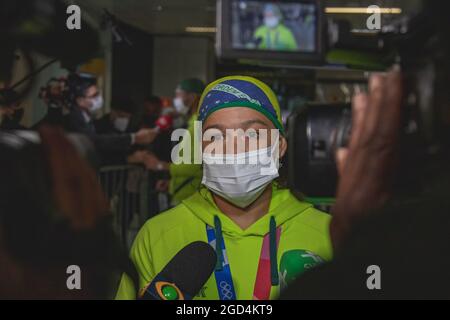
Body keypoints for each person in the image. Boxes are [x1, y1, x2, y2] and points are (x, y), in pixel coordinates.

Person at [116, 76, 332, 300]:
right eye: (216, 136)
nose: (234, 148)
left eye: (252, 134)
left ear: (280, 145)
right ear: (200, 149)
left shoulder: (329, 235)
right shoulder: (157, 235)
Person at [143, 78, 205, 206]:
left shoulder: (198, 125)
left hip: (190, 199)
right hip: (184, 193)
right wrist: (171, 185)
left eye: (178, 95)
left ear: (192, 97)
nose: (175, 100)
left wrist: (160, 165)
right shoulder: (192, 123)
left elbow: (196, 167)